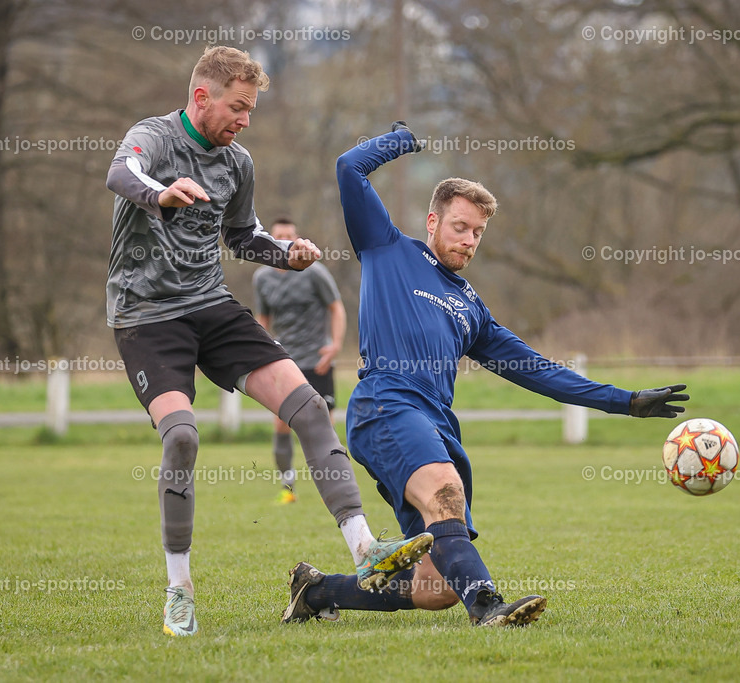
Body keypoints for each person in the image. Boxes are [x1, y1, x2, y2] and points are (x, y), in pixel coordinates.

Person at [281, 123, 689, 627]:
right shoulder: (387, 248)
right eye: (460, 227)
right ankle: (488, 607)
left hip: (437, 425)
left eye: (478, 233)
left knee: (436, 589)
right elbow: (349, 168)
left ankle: (318, 591)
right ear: (433, 221)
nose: (469, 240)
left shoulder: (471, 308)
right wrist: (402, 140)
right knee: (444, 491)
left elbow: (539, 371)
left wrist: (623, 401)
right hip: (386, 405)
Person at [105, 49, 431, 637]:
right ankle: (179, 591)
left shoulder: (238, 162)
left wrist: (286, 255)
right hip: (147, 317)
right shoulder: (152, 137)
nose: (246, 120)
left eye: (251, 109)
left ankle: (365, 549)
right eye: (238, 107)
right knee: (182, 437)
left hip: (210, 305)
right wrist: (162, 193)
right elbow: (120, 174)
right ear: (201, 97)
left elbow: (240, 236)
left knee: (309, 407)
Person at [253, 217, 346, 504]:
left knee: (323, 426)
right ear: (271, 240)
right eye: (278, 236)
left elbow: (336, 308)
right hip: (284, 360)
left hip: (316, 359)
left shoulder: (314, 272)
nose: (284, 240)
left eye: (289, 236)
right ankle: (288, 487)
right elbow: (263, 319)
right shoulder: (262, 278)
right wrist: (260, 351)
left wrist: (334, 346)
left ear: (296, 239)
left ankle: (335, 487)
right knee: (282, 424)